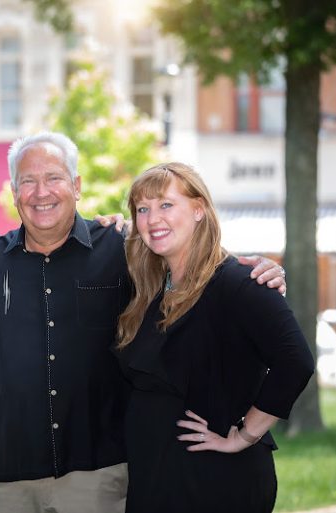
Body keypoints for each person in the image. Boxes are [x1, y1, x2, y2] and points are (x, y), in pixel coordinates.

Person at [0, 133, 288, 513]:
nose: (41, 192)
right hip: (13, 476)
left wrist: (251, 270)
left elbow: (189, 260)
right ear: (14, 191)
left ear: (77, 186)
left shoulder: (123, 247)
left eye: (53, 178)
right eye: (28, 181)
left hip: (100, 472)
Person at [115, 162, 314, 513]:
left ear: (198, 210)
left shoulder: (239, 282)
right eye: (143, 209)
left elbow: (295, 361)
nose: (152, 218)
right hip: (156, 478)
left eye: (165, 205)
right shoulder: (151, 290)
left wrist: (244, 435)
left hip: (213, 480)